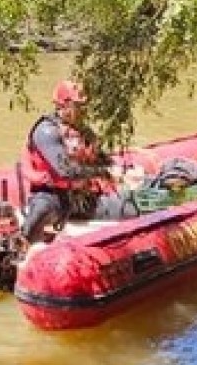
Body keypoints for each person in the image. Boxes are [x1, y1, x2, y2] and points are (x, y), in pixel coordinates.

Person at [19, 79, 125, 243]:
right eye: (79, 106)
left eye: (84, 106)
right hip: (52, 195)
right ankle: (23, 243)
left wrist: (117, 171)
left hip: (83, 197)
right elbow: (66, 171)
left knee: (127, 203)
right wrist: (101, 172)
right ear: (64, 105)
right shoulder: (46, 131)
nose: (83, 111)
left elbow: (102, 159)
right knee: (42, 208)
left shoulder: (82, 131)